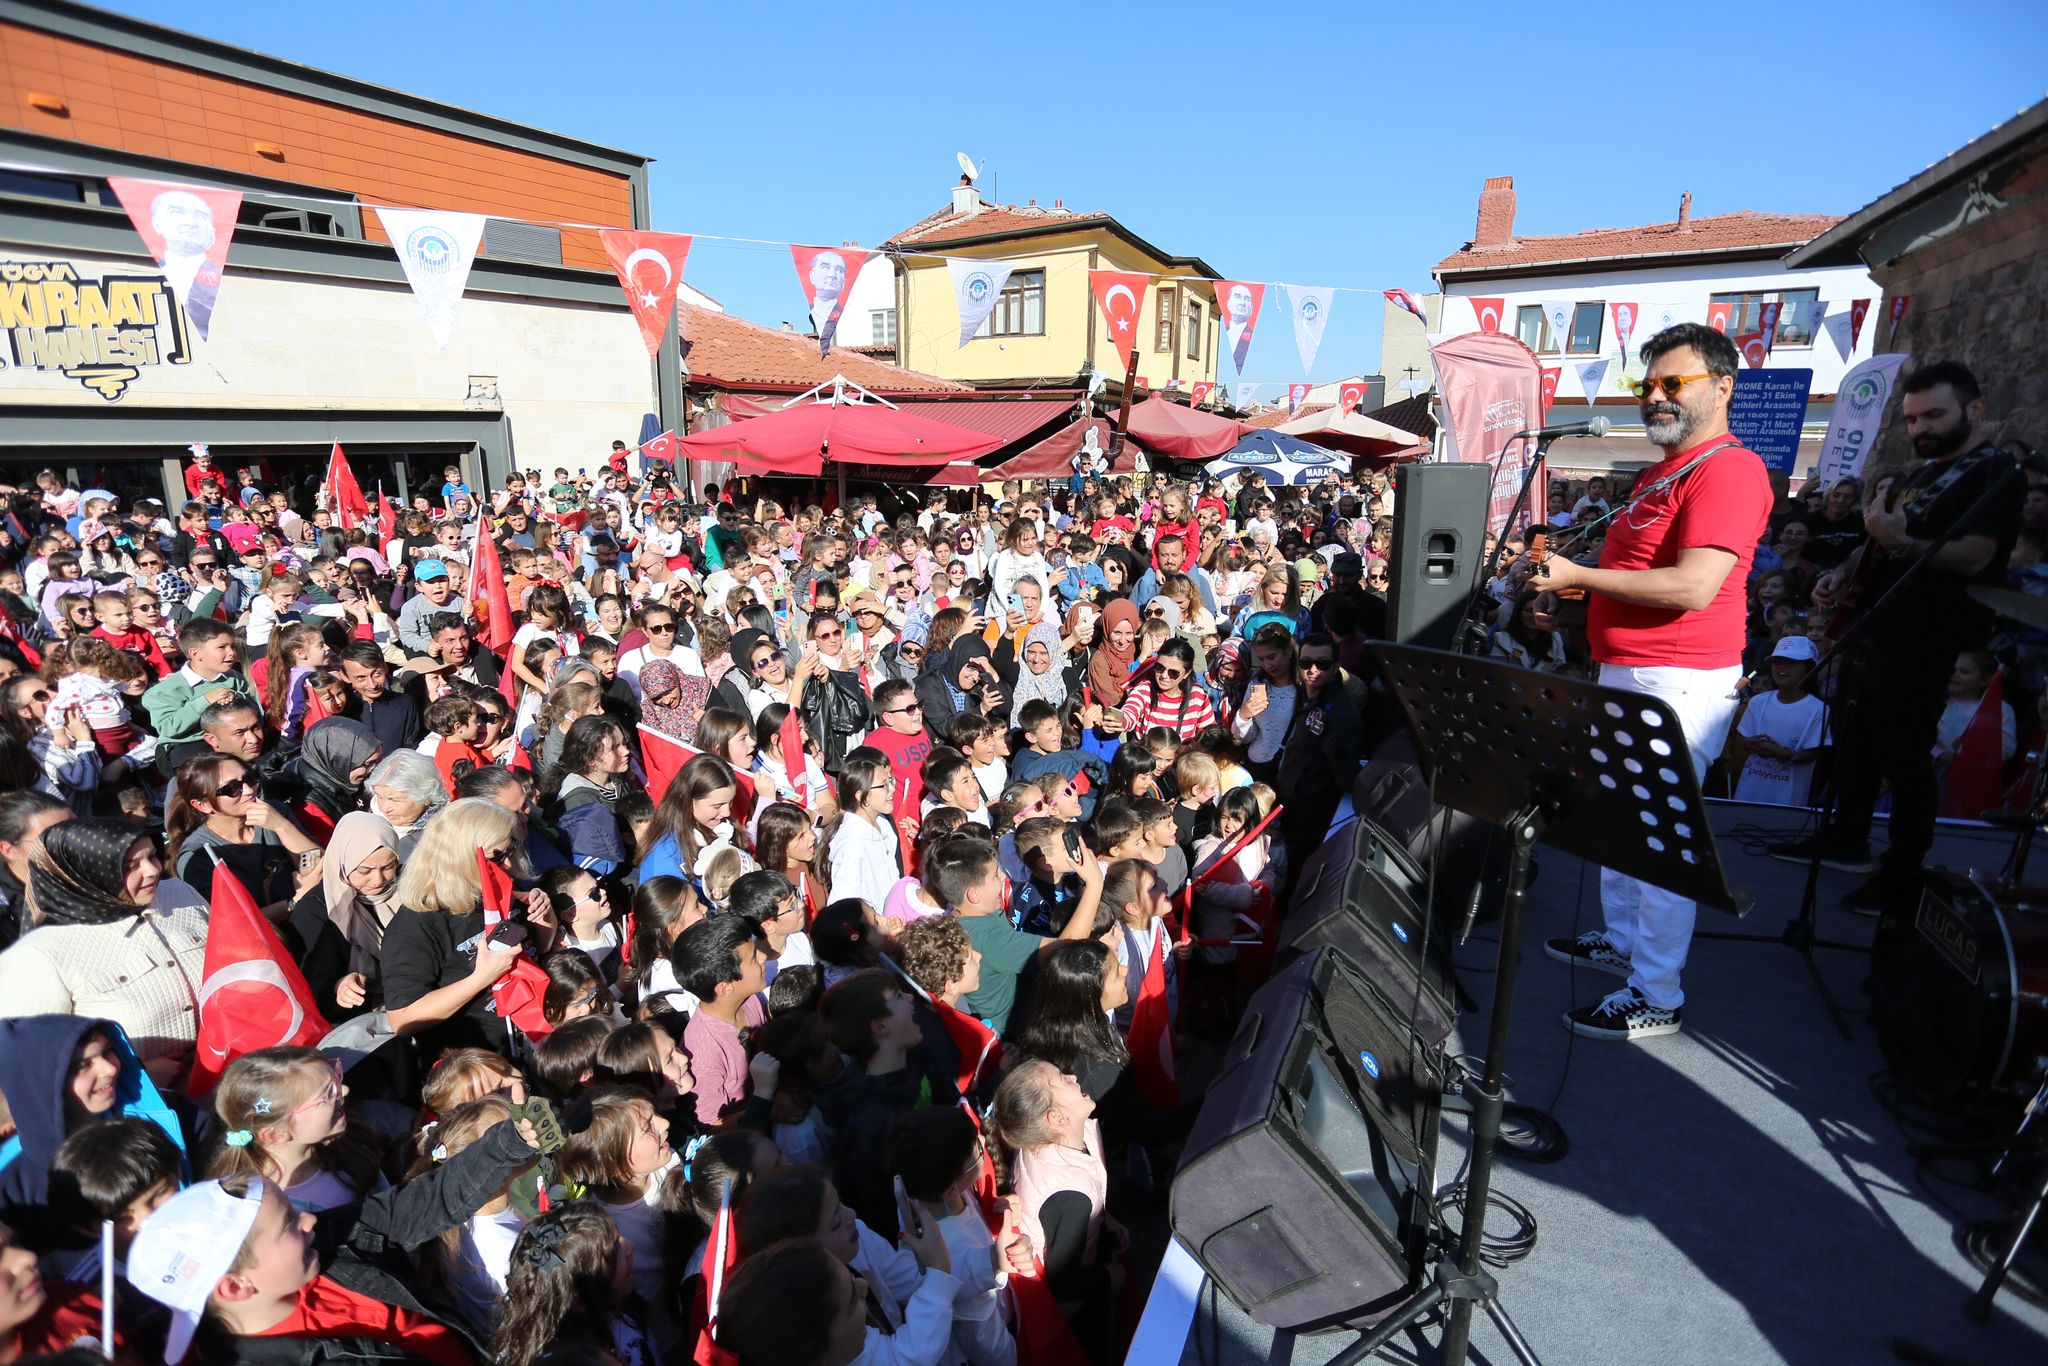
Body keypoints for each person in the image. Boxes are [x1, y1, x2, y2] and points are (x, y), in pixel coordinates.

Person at [1531, 322, 1773, 1041]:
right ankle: (1627, 944)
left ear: (1723, 388)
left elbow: (1695, 586)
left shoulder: (1728, 470)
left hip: (1679, 679)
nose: (1656, 397)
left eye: (1675, 383)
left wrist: (1578, 575)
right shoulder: (1658, 472)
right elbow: (1636, 577)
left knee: (1661, 839)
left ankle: (1657, 993)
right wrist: (1572, 603)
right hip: (1630, 670)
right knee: (1620, 823)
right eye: (1649, 385)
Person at [1778, 362, 2022, 912]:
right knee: (1857, 739)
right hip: (1878, 623)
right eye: (1912, 419)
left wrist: (1905, 543)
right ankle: (1847, 836)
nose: (1920, 429)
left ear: (1975, 409)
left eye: (1933, 415)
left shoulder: (1996, 472)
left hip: (1929, 631)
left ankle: (1903, 870)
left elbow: (1977, 555)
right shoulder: (1923, 473)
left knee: (1905, 755)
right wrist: (1842, 576)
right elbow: (1881, 543)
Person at [0, 821, 210, 1088]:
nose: (152, 870)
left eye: (153, 856)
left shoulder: (181, 894)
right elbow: (27, 1063)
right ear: (83, 875)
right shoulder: (41, 954)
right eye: (130, 866)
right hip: (147, 1109)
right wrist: (133, 1076)